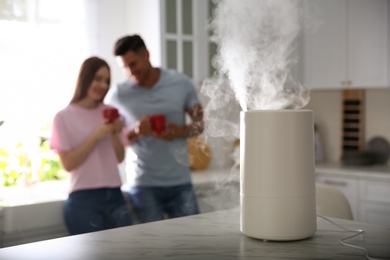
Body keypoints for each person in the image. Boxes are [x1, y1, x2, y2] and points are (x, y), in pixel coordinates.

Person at [105, 34, 204, 223]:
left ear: (147, 55)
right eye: (124, 67)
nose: (130, 72)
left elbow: (200, 124)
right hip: (143, 185)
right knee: (152, 248)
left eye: (133, 64)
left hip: (180, 182)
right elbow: (113, 138)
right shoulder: (118, 95)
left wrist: (179, 131)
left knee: (194, 242)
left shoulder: (180, 83)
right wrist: (135, 132)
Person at [50, 56, 132, 235]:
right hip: (84, 199)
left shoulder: (110, 112)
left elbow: (119, 158)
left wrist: (114, 135)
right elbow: (68, 164)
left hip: (116, 194)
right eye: (98, 78)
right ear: (85, 78)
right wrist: (96, 135)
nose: (103, 85)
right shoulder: (63, 117)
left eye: (107, 81)